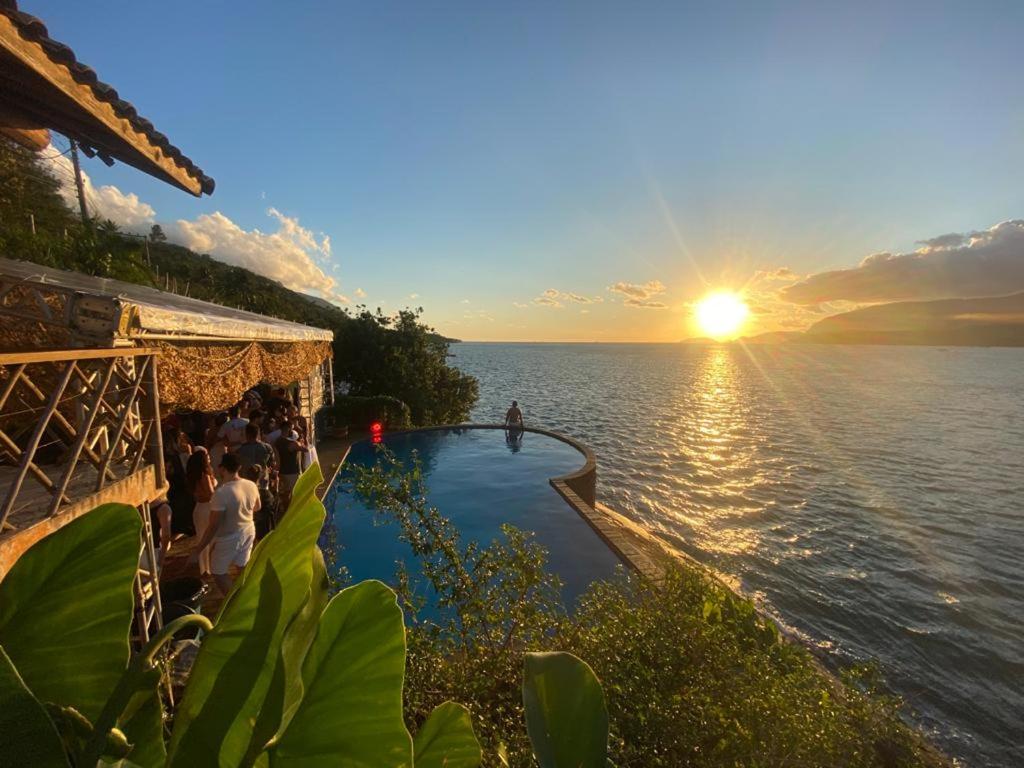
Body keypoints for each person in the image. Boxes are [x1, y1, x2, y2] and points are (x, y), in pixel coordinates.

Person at [189, 453, 260, 596]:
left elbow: (213, 525)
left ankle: (233, 602)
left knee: (218, 571)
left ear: (222, 468)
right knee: (242, 566)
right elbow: (257, 507)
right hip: (249, 530)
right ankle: (247, 596)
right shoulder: (251, 485)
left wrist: (198, 550)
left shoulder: (221, 493)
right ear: (239, 467)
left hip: (230, 537)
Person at [186, 447, 217, 577]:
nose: (209, 458)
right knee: (212, 538)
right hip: (208, 508)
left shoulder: (193, 476)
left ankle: (204, 568)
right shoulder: (205, 476)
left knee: (201, 539)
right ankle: (213, 566)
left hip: (198, 508)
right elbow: (211, 493)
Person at [274, 427, 308, 514]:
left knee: (285, 492)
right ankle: (292, 512)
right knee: (294, 493)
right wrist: (302, 442)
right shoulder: (293, 444)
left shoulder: (277, 441)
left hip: (282, 471)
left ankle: (285, 510)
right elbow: (306, 449)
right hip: (292, 471)